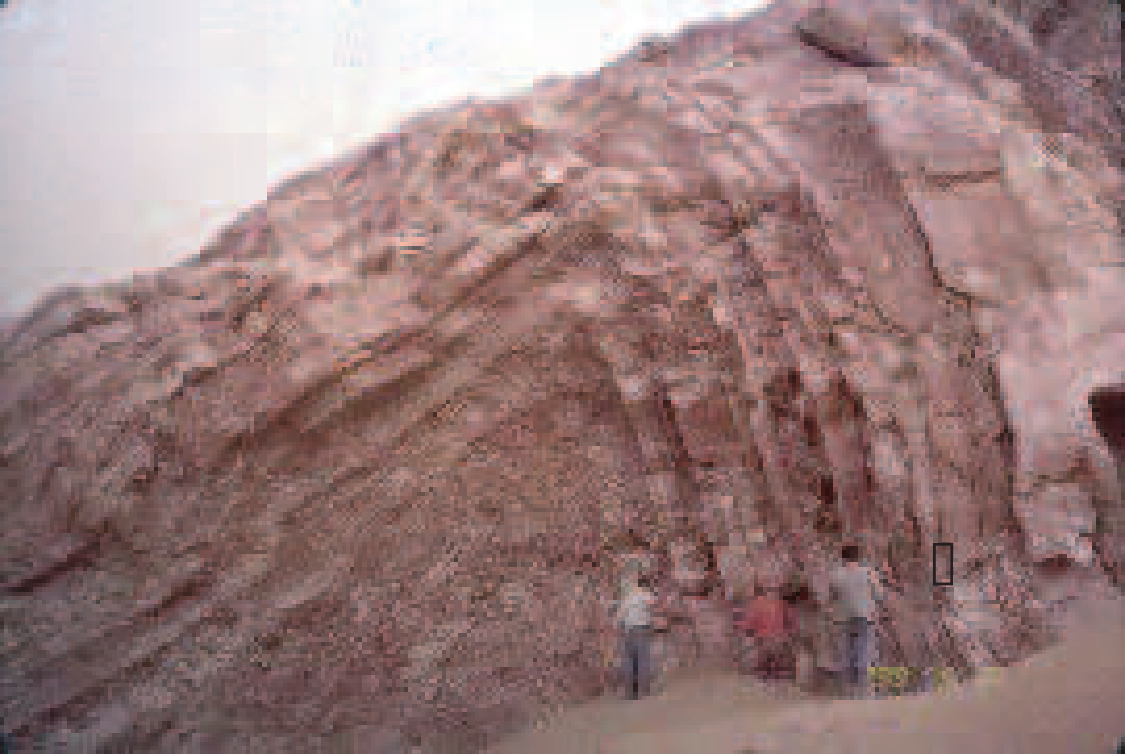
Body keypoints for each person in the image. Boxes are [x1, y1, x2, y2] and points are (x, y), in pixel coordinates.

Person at [828, 543, 888, 697]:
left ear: (842, 558)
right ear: (859, 557)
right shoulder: (868, 572)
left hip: (845, 617)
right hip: (865, 615)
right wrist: (877, 607)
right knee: (864, 649)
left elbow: (832, 597)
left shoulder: (836, 575)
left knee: (848, 651)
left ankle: (849, 687)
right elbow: (880, 594)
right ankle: (864, 687)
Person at [611, 574, 662, 700]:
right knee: (643, 659)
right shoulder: (645, 595)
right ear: (645, 585)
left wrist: (618, 628)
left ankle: (630, 692)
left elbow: (619, 615)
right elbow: (655, 604)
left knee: (629, 661)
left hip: (627, 630)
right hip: (640, 629)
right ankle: (643, 690)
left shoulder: (628, 596)